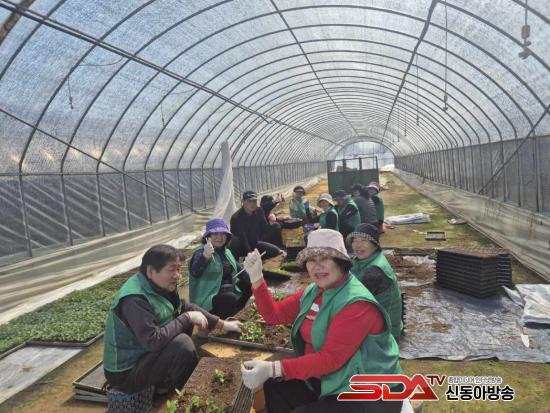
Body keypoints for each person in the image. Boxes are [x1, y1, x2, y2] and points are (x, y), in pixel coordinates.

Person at [240, 229, 403, 413]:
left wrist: (273, 368)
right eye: (311, 260)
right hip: (331, 379)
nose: (317, 266)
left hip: (367, 391)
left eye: (325, 258)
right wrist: (257, 279)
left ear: (341, 262)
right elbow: (274, 315)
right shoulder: (313, 292)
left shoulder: (355, 303)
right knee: (274, 387)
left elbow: (330, 359)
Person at [103, 245, 242, 397]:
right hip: (126, 373)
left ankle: (168, 381)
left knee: (183, 322)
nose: (177, 275)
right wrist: (186, 318)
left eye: (178, 269)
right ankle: (188, 394)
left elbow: (186, 307)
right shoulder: (134, 299)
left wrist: (223, 324)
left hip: (144, 355)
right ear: (150, 271)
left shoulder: (160, 285)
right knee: (182, 343)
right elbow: (153, 341)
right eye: (171, 270)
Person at [189, 218, 252, 319]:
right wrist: (205, 257)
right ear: (208, 237)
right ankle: (220, 321)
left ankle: (237, 313)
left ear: (227, 236)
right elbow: (195, 272)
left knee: (250, 283)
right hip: (209, 298)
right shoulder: (201, 252)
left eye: (223, 234)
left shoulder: (226, 252)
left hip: (227, 291)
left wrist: (255, 281)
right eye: (215, 234)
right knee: (230, 298)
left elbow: (241, 271)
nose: (219, 237)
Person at [348, 224, 403, 339]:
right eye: (355, 240)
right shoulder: (363, 260)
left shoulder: (375, 271)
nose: (358, 245)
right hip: (374, 319)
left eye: (363, 240)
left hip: (385, 333)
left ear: (374, 245)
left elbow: (350, 301)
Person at [229, 190, 283, 260]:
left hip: (256, 241)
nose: (252, 204)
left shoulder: (259, 210)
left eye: (254, 201)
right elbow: (242, 239)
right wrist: (251, 253)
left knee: (276, 226)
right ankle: (242, 259)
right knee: (235, 240)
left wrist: (277, 222)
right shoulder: (236, 218)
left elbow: (265, 228)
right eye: (249, 201)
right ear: (243, 201)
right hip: (243, 246)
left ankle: (277, 248)